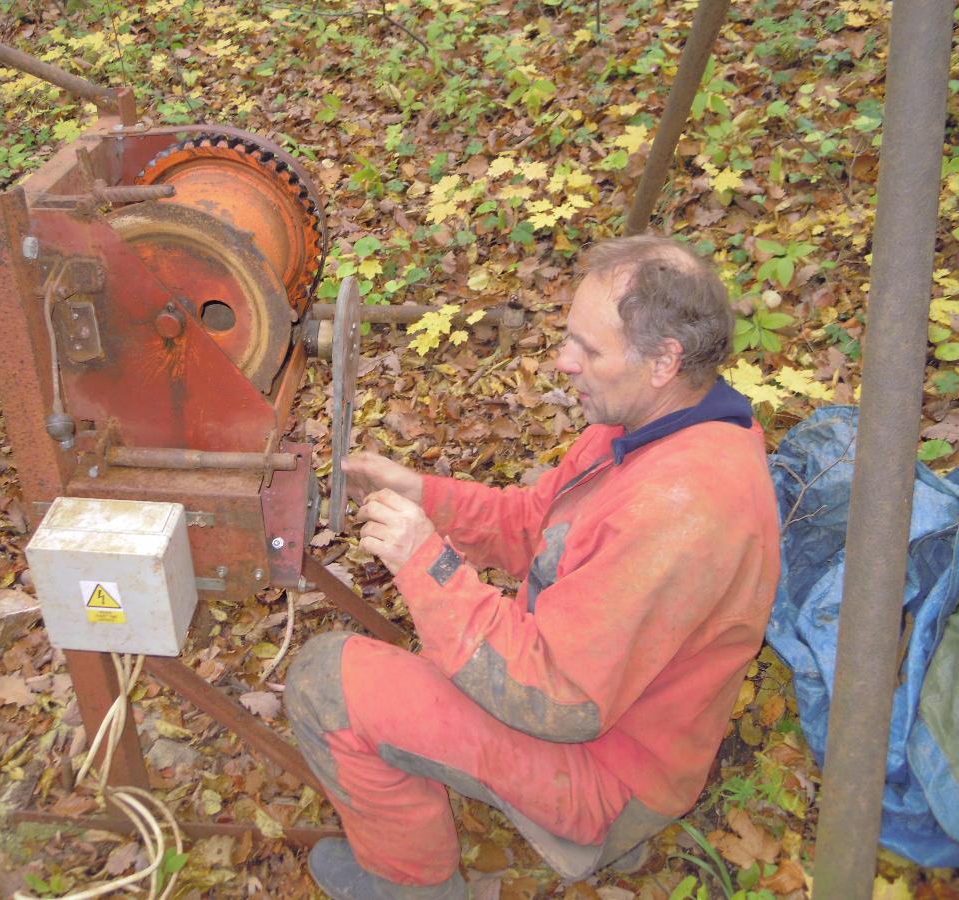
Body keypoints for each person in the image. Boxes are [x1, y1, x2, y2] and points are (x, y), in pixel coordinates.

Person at [285, 235, 781, 899]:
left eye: (589, 350)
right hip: (610, 715)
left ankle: (414, 887)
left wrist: (427, 562)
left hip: (606, 768)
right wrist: (424, 494)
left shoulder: (683, 504)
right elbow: (533, 525)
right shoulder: (644, 428)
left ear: (665, 360)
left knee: (325, 681)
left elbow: (560, 700)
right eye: (568, 338)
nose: (562, 361)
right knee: (413, 663)